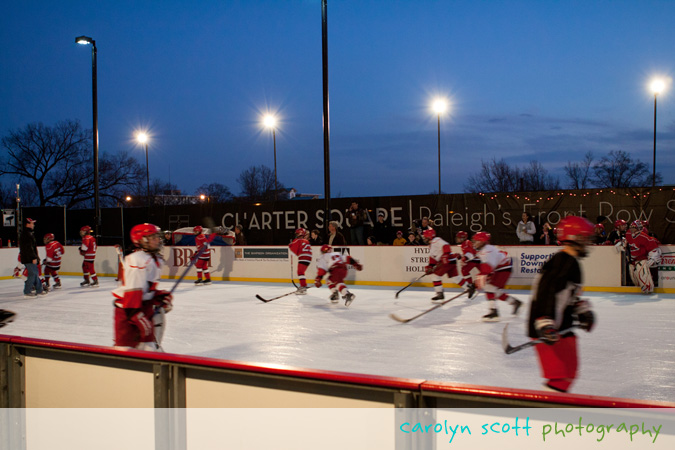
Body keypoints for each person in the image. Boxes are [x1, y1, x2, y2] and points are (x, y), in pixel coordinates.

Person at [527, 215, 596, 393]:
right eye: (586, 238)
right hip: (546, 326)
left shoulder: (572, 263)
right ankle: (543, 415)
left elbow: (570, 295)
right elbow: (546, 292)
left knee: (568, 374)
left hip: (560, 327)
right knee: (560, 376)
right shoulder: (562, 262)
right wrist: (545, 321)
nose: (588, 243)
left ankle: (550, 410)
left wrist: (582, 311)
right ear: (575, 238)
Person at [112, 223, 173, 351]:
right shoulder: (136, 259)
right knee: (124, 354)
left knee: (150, 350)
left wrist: (159, 296)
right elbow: (132, 291)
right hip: (128, 313)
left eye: (157, 237)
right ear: (142, 240)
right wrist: (135, 313)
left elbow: (146, 288)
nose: (158, 240)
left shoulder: (156, 259)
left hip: (143, 309)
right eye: (153, 237)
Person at [472, 231, 522, 321]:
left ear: (482, 241)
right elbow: (486, 271)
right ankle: (514, 302)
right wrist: (476, 283)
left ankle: (494, 311)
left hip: (503, 269)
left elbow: (486, 270)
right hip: (501, 269)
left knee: (489, 288)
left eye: (476, 241)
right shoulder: (486, 250)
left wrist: (475, 284)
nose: (474, 243)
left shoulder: (487, 251)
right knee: (493, 289)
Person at [622, 220, 661, 294]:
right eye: (631, 227)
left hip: (641, 259)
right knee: (635, 279)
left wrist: (653, 257)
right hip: (632, 260)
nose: (632, 229)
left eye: (634, 227)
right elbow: (627, 241)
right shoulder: (628, 233)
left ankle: (648, 287)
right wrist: (622, 243)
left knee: (643, 274)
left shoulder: (644, 237)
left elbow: (653, 248)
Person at [421, 229, 459, 302]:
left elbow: (446, 245)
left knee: (436, 276)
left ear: (429, 236)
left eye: (425, 237)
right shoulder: (431, 245)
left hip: (447, 261)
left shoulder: (436, 240)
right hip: (451, 261)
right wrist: (430, 266)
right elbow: (433, 257)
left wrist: (445, 255)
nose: (424, 238)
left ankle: (440, 293)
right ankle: (469, 287)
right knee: (455, 278)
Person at [20, 218, 46, 297]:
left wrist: (36, 257)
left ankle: (39, 290)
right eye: (32, 223)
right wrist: (33, 257)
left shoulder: (28, 233)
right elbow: (29, 248)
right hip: (29, 258)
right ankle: (27, 291)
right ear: (27, 224)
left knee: (35, 274)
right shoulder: (26, 234)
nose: (33, 225)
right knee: (33, 274)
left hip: (29, 257)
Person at [455, 231, 479, 299]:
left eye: (459, 238)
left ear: (463, 238)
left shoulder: (466, 243)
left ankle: (471, 286)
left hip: (476, 259)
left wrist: (464, 258)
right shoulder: (465, 243)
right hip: (476, 259)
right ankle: (472, 285)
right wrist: (461, 256)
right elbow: (469, 253)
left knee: (464, 270)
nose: (457, 239)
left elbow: (470, 254)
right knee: (465, 270)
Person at [289, 228, 312, 294]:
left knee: (300, 272)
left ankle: (303, 287)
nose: (296, 235)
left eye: (297, 233)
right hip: (308, 258)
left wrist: (290, 246)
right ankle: (303, 286)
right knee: (301, 272)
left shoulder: (297, 240)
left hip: (303, 257)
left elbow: (294, 252)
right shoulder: (306, 241)